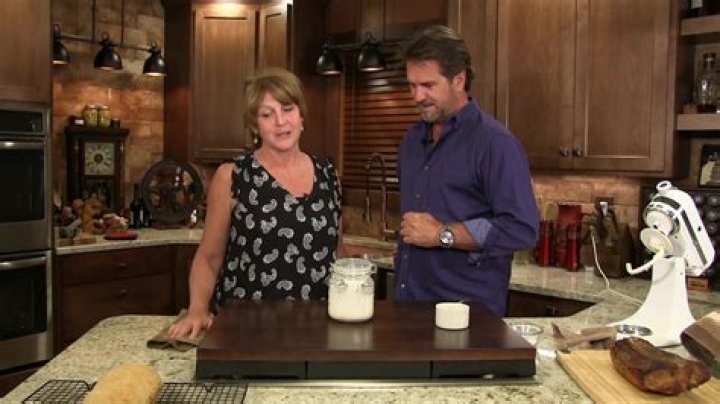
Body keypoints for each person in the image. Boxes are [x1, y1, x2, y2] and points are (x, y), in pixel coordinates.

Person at [169, 68, 343, 338]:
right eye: (267, 114)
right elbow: (209, 257)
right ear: (254, 125)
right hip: (246, 329)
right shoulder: (233, 176)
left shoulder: (329, 175)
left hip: (316, 329)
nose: (280, 121)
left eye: (287, 109)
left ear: (301, 115)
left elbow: (337, 252)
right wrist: (197, 310)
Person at [395, 25, 539, 317]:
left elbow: (521, 229)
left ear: (459, 80)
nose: (417, 96)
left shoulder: (494, 143)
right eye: (412, 85)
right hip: (409, 310)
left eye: (428, 85)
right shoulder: (411, 141)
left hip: (467, 318)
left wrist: (442, 234)